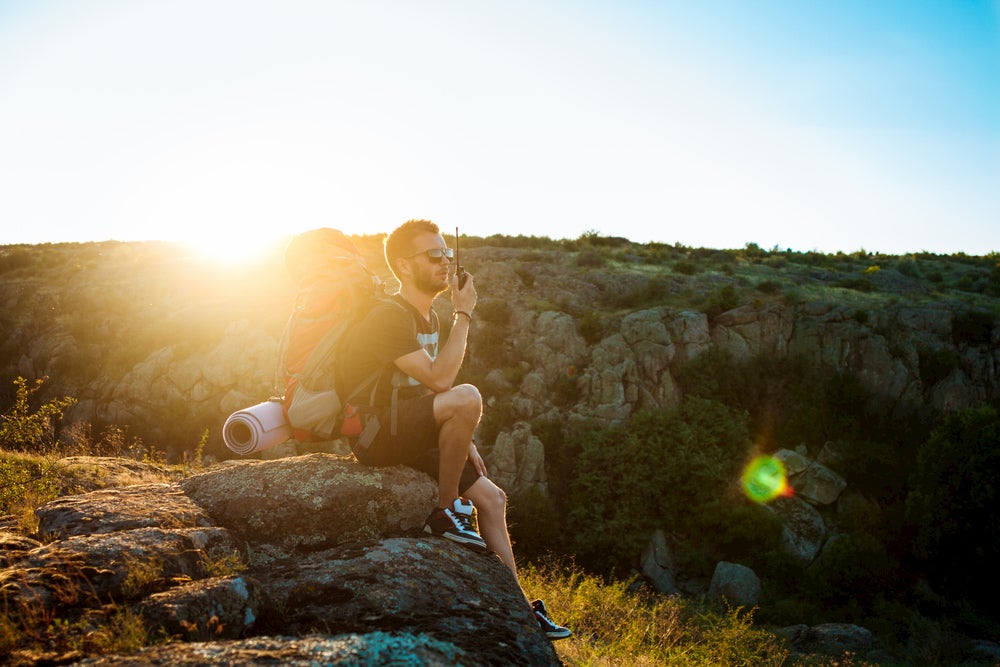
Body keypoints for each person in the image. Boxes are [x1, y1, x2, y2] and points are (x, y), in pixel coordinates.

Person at [337, 219, 571, 640]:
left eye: (447, 253)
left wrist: (463, 437)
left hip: (407, 427)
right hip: (377, 434)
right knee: (467, 395)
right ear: (405, 266)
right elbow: (440, 382)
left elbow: (425, 397)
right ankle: (444, 513)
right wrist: (463, 313)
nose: (446, 261)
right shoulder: (388, 316)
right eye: (434, 255)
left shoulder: (427, 318)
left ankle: (520, 609)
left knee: (494, 499)